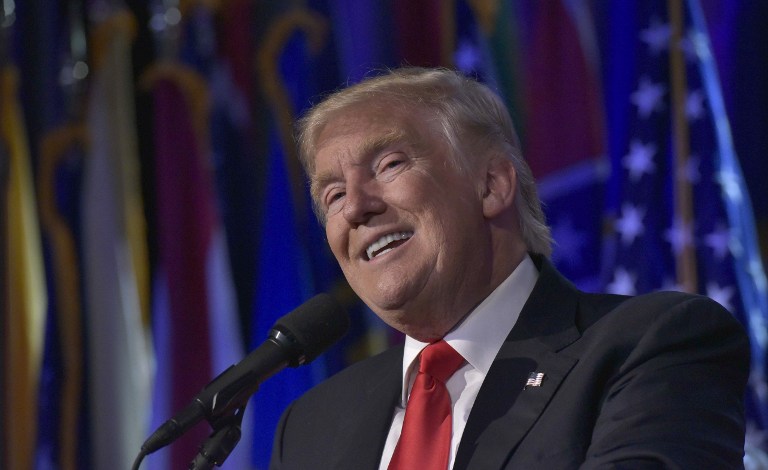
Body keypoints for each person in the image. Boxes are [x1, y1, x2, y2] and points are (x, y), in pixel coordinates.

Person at [269, 67, 750, 469]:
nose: (355, 207)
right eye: (332, 195)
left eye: (390, 165)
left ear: (492, 186)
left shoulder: (651, 345)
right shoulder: (312, 426)